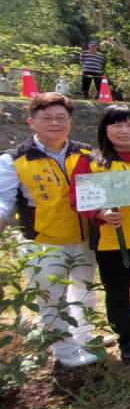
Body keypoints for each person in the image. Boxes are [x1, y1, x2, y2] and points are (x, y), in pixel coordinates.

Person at [0, 93, 100, 367]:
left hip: (84, 237)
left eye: (61, 118)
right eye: (46, 118)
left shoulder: (85, 153)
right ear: (31, 122)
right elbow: (4, 200)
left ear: (70, 121)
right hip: (44, 242)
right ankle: (64, 351)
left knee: (85, 289)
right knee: (49, 296)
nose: (54, 123)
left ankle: (84, 337)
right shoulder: (14, 159)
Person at [70, 104, 130, 364]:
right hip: (112, 241)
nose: (125, 131)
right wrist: (100, 214)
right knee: (117, 292)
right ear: (104, 129)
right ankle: (127, 339)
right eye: (117, 125)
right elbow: (78, 198)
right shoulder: (91, 161)